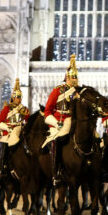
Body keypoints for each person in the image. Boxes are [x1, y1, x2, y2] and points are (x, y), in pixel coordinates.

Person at [43, 55, 79, 187]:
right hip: (58, 123)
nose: (74, 80)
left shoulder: (79, 92)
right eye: (71, 77)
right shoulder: (57, 91)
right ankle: (55, 171)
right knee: (55, 141)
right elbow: (47, 111)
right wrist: (56, 123)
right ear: (67, 77)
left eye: (75, 77)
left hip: (74, 122)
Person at [0, 79, 29, 177]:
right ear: (13, 97)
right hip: (8, 132)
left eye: (20, 97)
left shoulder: (24, 109)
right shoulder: (7, 109)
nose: (19, 99)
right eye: (17, 97)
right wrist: (8, 128)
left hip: (20, 131)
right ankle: (3, 166)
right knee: (5, 144)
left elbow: (28, 120)